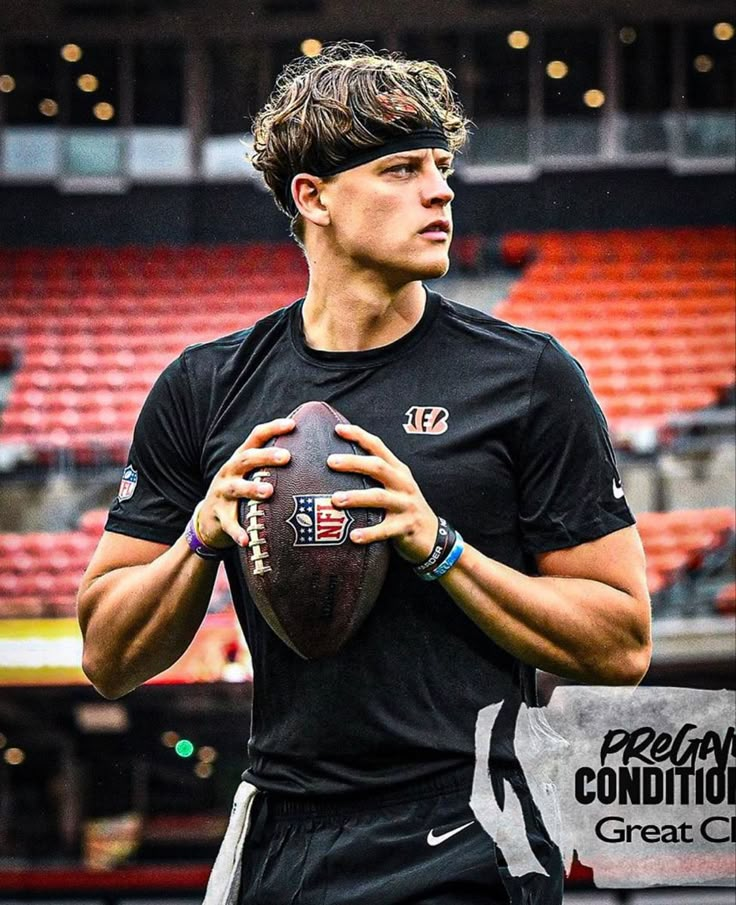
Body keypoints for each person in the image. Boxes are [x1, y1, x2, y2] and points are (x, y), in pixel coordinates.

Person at [77, 42, 652, 905]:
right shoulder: (204, 388)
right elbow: (107, 655)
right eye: (400, 169)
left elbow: (622, 642)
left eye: (442, 166)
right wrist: (203, 529)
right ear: (313, 198)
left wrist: (442, 548)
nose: (441, 190)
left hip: (469, 825)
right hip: (284, 825)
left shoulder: (528, 378)